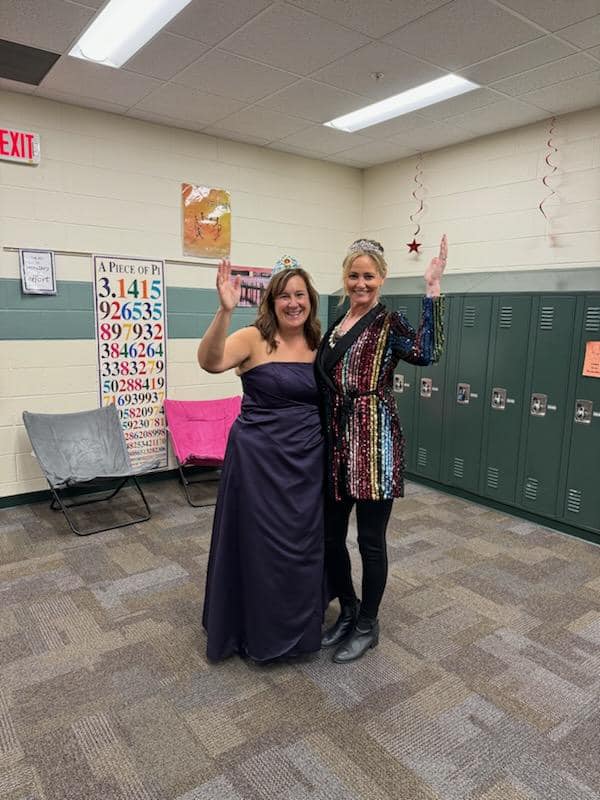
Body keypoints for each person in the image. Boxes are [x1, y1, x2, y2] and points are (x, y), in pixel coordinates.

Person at [314, 235, 447, 663]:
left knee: (370, 541)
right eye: (354, 275)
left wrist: (432, 288)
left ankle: (368, 624)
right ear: (345, 277)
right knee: (331, 537)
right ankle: (348, 609)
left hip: (374, 445)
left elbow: (428, 352)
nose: (361, 283)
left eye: (368, 276)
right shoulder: (337, 323)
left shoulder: (389, 322)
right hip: (337, 445)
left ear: (382, 278)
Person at [198, 257, 324, 663]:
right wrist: (224, 311)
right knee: (258, 544)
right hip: (257, 461)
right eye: (284, 296)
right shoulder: (252, 338)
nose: (293, 303)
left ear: (310, 300)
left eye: (300, 295)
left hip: (307, 461)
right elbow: (210, 362)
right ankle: (252, 630)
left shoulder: (320, 343)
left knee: (302, 546)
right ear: (271, 301)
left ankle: (299, 629)